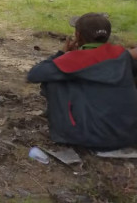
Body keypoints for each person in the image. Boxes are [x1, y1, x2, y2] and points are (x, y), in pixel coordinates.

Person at [27, 13, 137, 149]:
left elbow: (34, 74)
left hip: (90, 139)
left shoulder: (73, 60)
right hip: (127, 137)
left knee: (53, 79)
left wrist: (61, 54)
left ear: (78, 36)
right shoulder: (122, 55)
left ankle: (66, 131)